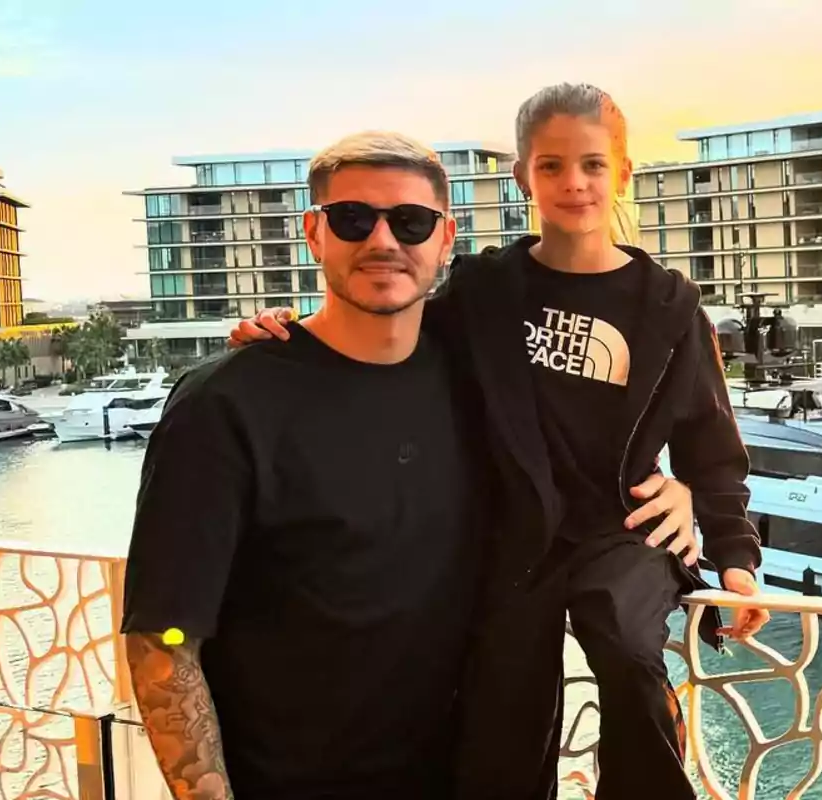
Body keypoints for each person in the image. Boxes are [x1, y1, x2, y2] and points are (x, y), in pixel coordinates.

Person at [122, 129, 702, 800]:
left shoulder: (481, 377)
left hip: (480, 774)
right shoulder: (224, 404)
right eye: (352, 218)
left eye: (410, 221)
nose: (382, 240)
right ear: (314, 233)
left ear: (445, 239)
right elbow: (164, 638)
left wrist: (676, 492)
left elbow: (585, 462)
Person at [230, 82, 770, 800]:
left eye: (592, 165)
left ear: (623, 173)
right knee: (499, 712)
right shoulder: (485, 290)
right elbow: (390, 325)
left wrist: (733, 554)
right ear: (523, 177)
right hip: (510, 537)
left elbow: (710, 443)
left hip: (625, 527)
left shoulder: (668, 306)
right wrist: (288, 330)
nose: (573, 183)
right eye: (550, 166)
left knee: (627, 647)